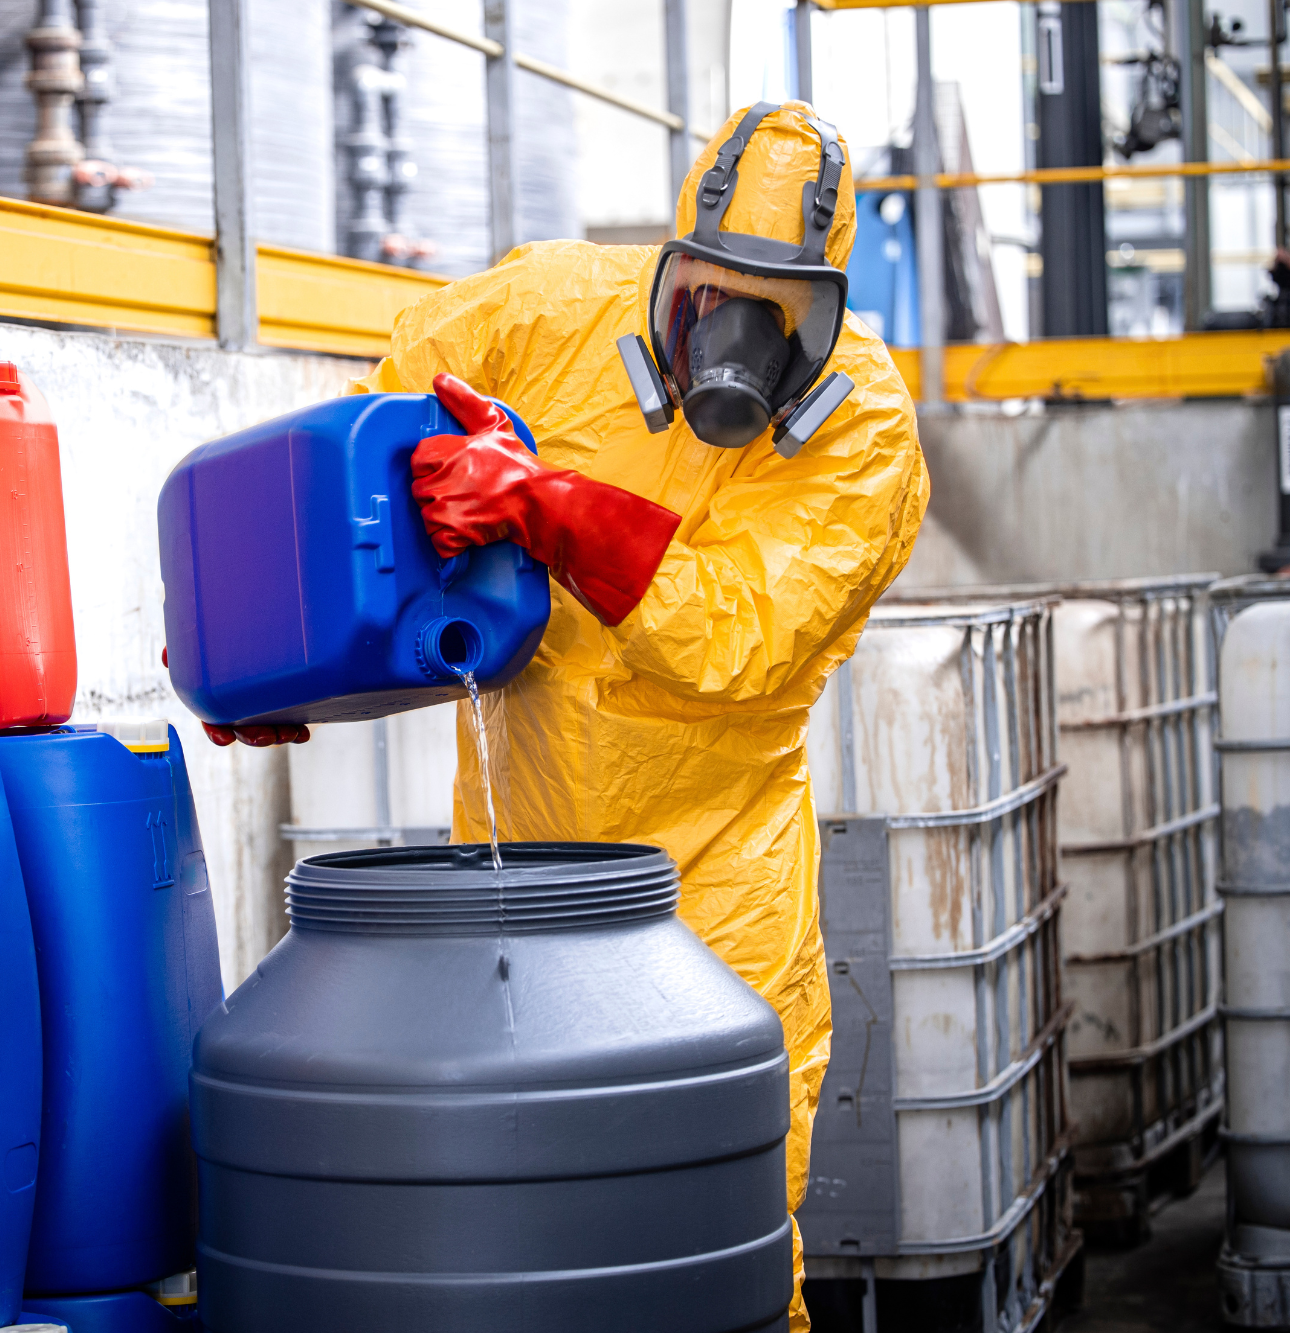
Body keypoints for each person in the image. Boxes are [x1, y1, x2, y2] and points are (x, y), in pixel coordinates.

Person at [217, 100, 929, 1329]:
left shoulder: (860, 434)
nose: (732, 335)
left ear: (826, 304)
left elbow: (734, 639)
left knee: (721, 1222)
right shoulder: (544, 310)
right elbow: (360, 452)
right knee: (515, 1217)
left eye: (779, 310)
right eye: (710, 290)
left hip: (713, 887)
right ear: (672, 263)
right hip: (515, 865)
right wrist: (275, 658)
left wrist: (545, 505)